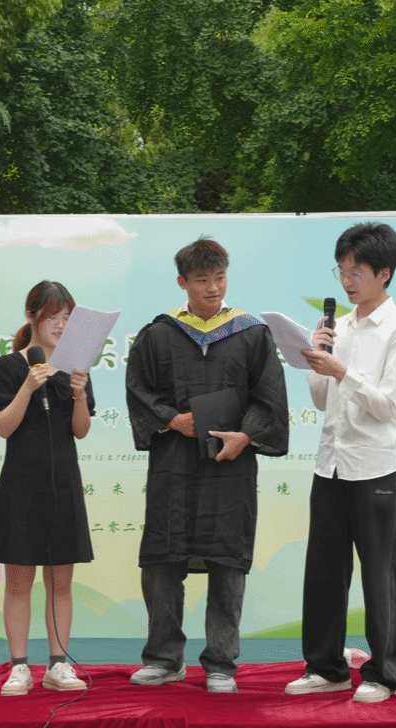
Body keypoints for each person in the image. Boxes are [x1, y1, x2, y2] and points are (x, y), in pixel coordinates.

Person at [125, 237, 289, 694]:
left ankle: (220, 663)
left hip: (229, 464)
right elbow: (139, 389)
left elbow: (270, 396)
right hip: (174, 463)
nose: (213, 288)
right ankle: (164, 659)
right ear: (182, 282)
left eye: (219, 278)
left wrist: (247, 435)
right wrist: (171, 419)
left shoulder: (250, 333)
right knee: (163, 558)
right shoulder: (159, 333)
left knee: (227, 559)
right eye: (202, 280)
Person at [285, 222, 396, 704]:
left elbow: (388, 406)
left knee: (379, 573)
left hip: (376, 466)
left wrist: (343, 370)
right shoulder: (339, 327)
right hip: (331, 463)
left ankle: (383, 674)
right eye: (341, 271)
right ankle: (326, 668)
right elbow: (324, 400)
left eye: (357, 271)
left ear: (384, 274)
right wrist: (317, 359)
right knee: (323, 569)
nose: (347, 281)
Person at [0, 281, 95, 696]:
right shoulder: (8, 367)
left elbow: (80, 431)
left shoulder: (76, 368)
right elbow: (4, 427)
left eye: (67, 318)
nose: (61, 326)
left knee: (60, 584)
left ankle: (58, 665)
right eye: (53, 318)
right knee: (18, 583)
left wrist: (79, 396)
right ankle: (19, 668)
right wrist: (28, 387)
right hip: (21, 486)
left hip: (63, 484)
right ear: (32, 317)